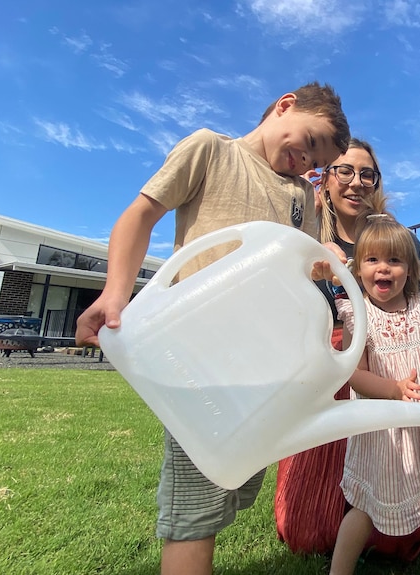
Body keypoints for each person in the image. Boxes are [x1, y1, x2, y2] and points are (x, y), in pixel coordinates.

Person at [74, 81, 350, 575]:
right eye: (307, 142)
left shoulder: (302, 195)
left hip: (263, 358)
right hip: (200, 352)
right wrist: (116, 293)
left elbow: (299, 267)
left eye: (316, 162)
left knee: (236, 479)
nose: (305, 161)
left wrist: (321, 257)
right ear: (285, 105)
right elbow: (140, 215)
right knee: (196, 505)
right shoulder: (211, 150)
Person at [274, 139, 420, 560]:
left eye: (367, 173)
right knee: (305, 529)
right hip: (328, 372)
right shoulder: (307, 236)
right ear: (324, 178)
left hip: (386, 367)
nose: (356, 182)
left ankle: (387, 532)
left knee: (395, 525)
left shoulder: (395, 238)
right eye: (344, 171)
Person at [329, 213, 420, 575]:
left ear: (411, 269)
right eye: (372, 260)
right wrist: (393, 389)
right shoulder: (359, 315)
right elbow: (355, 376)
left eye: (394, 260)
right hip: (382, 434)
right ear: (358, 271)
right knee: (365, 508)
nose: (383, 269)